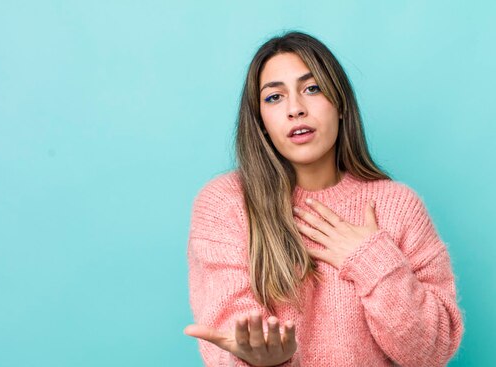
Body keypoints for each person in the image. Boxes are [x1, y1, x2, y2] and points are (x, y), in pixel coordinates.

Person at [183, 30, 464, 366]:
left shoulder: (398, 206)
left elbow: (431, 352)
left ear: (341, 105)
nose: (295, 109)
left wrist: (371, 258)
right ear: (261, 123)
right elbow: (230, 332)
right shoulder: (226, 203)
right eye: (274, 97)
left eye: (312, 88)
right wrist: (267, 359)